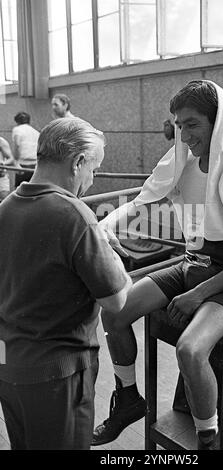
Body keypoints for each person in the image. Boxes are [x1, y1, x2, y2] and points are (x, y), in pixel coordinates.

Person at [92, 80, 223, 450]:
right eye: (179, 124)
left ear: (218, 122)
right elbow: (144, 196)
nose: (183, 134)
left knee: (190, 349)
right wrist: (105, 223)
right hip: (191, 263)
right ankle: (128, 399)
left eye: (192, 124)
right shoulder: (181, 157)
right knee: (114, 314)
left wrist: (198, 294)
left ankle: (208, 439)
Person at [0, 118, 132, 450]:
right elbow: (116, 299)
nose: (92, 179)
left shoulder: (6, 208)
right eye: (94, 169)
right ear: (77, 163)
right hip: (59, 375)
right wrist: (108, 249)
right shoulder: (74, 215)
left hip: (10, 364)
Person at [12, 111, 40, 186]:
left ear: (17, 121)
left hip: (23, 165)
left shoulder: (17, 129)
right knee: (33, 191)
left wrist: (16, 162)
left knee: (19, 191)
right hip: (36, 166)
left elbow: (17, 144)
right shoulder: (36, 132)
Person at [0, 137, 16, 202]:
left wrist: (3, 163)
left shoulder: (1, 141)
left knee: (3, 202)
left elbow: (11, 159)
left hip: (1, 177)